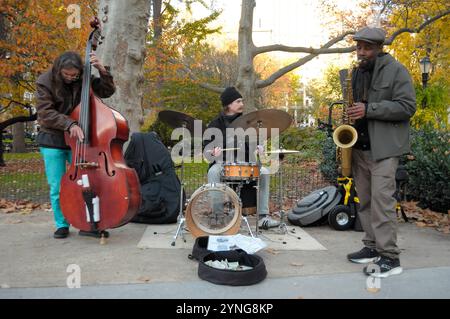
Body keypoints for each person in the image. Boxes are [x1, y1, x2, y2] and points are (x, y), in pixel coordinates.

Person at [346, 27, 416, 277]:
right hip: (360, 147)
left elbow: (407, 106)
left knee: (382, 204)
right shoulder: (357, 73)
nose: (361, 52)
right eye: (358, 47)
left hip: (384, 149)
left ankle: (390, 257)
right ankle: (372, 246)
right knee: (364, 202)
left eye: (366, 48)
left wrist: (369, 109)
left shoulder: (396, 70)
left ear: (378, 48)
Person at [35, 51, 116, 239]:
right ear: (58, 70)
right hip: (53, 138)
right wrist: (69, 124)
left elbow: (107, 91)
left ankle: (88, 223)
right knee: (57, 185)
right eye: (67, 75)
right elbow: (45, 112)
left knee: (86, 181)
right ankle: (62, 224)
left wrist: (102, 71)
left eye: (74, 75)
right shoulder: (45, 81)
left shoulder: (84, 77)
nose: (71, 78)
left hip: (80, 140)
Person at [204, 87, 280, 229]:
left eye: (242, 101)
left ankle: (263, 217)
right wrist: (213, 152)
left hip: (245, 163)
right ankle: (217, 215)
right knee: (213, 172)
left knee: (264, 172)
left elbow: (255, 144)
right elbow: (207, 151)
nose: (242, 104)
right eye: (238, 101)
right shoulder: (215, 125)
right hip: (222, 164)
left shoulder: (248, 123)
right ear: (229, 105)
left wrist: (259, 148)